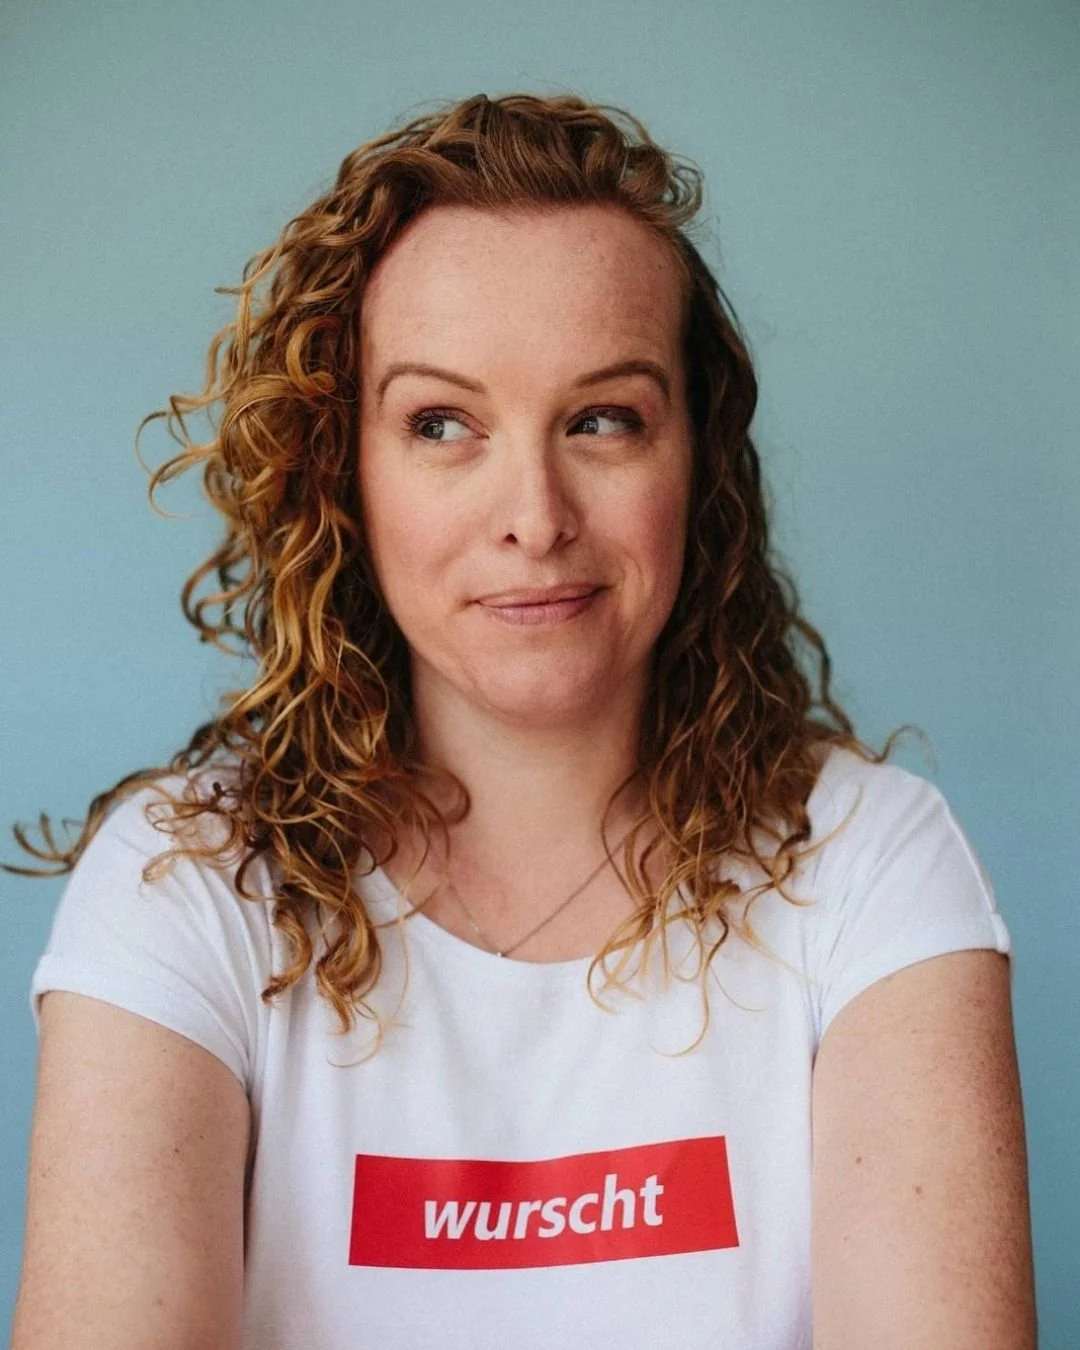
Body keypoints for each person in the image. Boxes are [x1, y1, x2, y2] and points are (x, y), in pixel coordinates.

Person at [8, 92, 1036, 1348]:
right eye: (443, 424)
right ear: (347, 471)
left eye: (602, 419)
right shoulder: (190, 892)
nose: (535, 515)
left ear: (696, 460)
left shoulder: (872, 863)